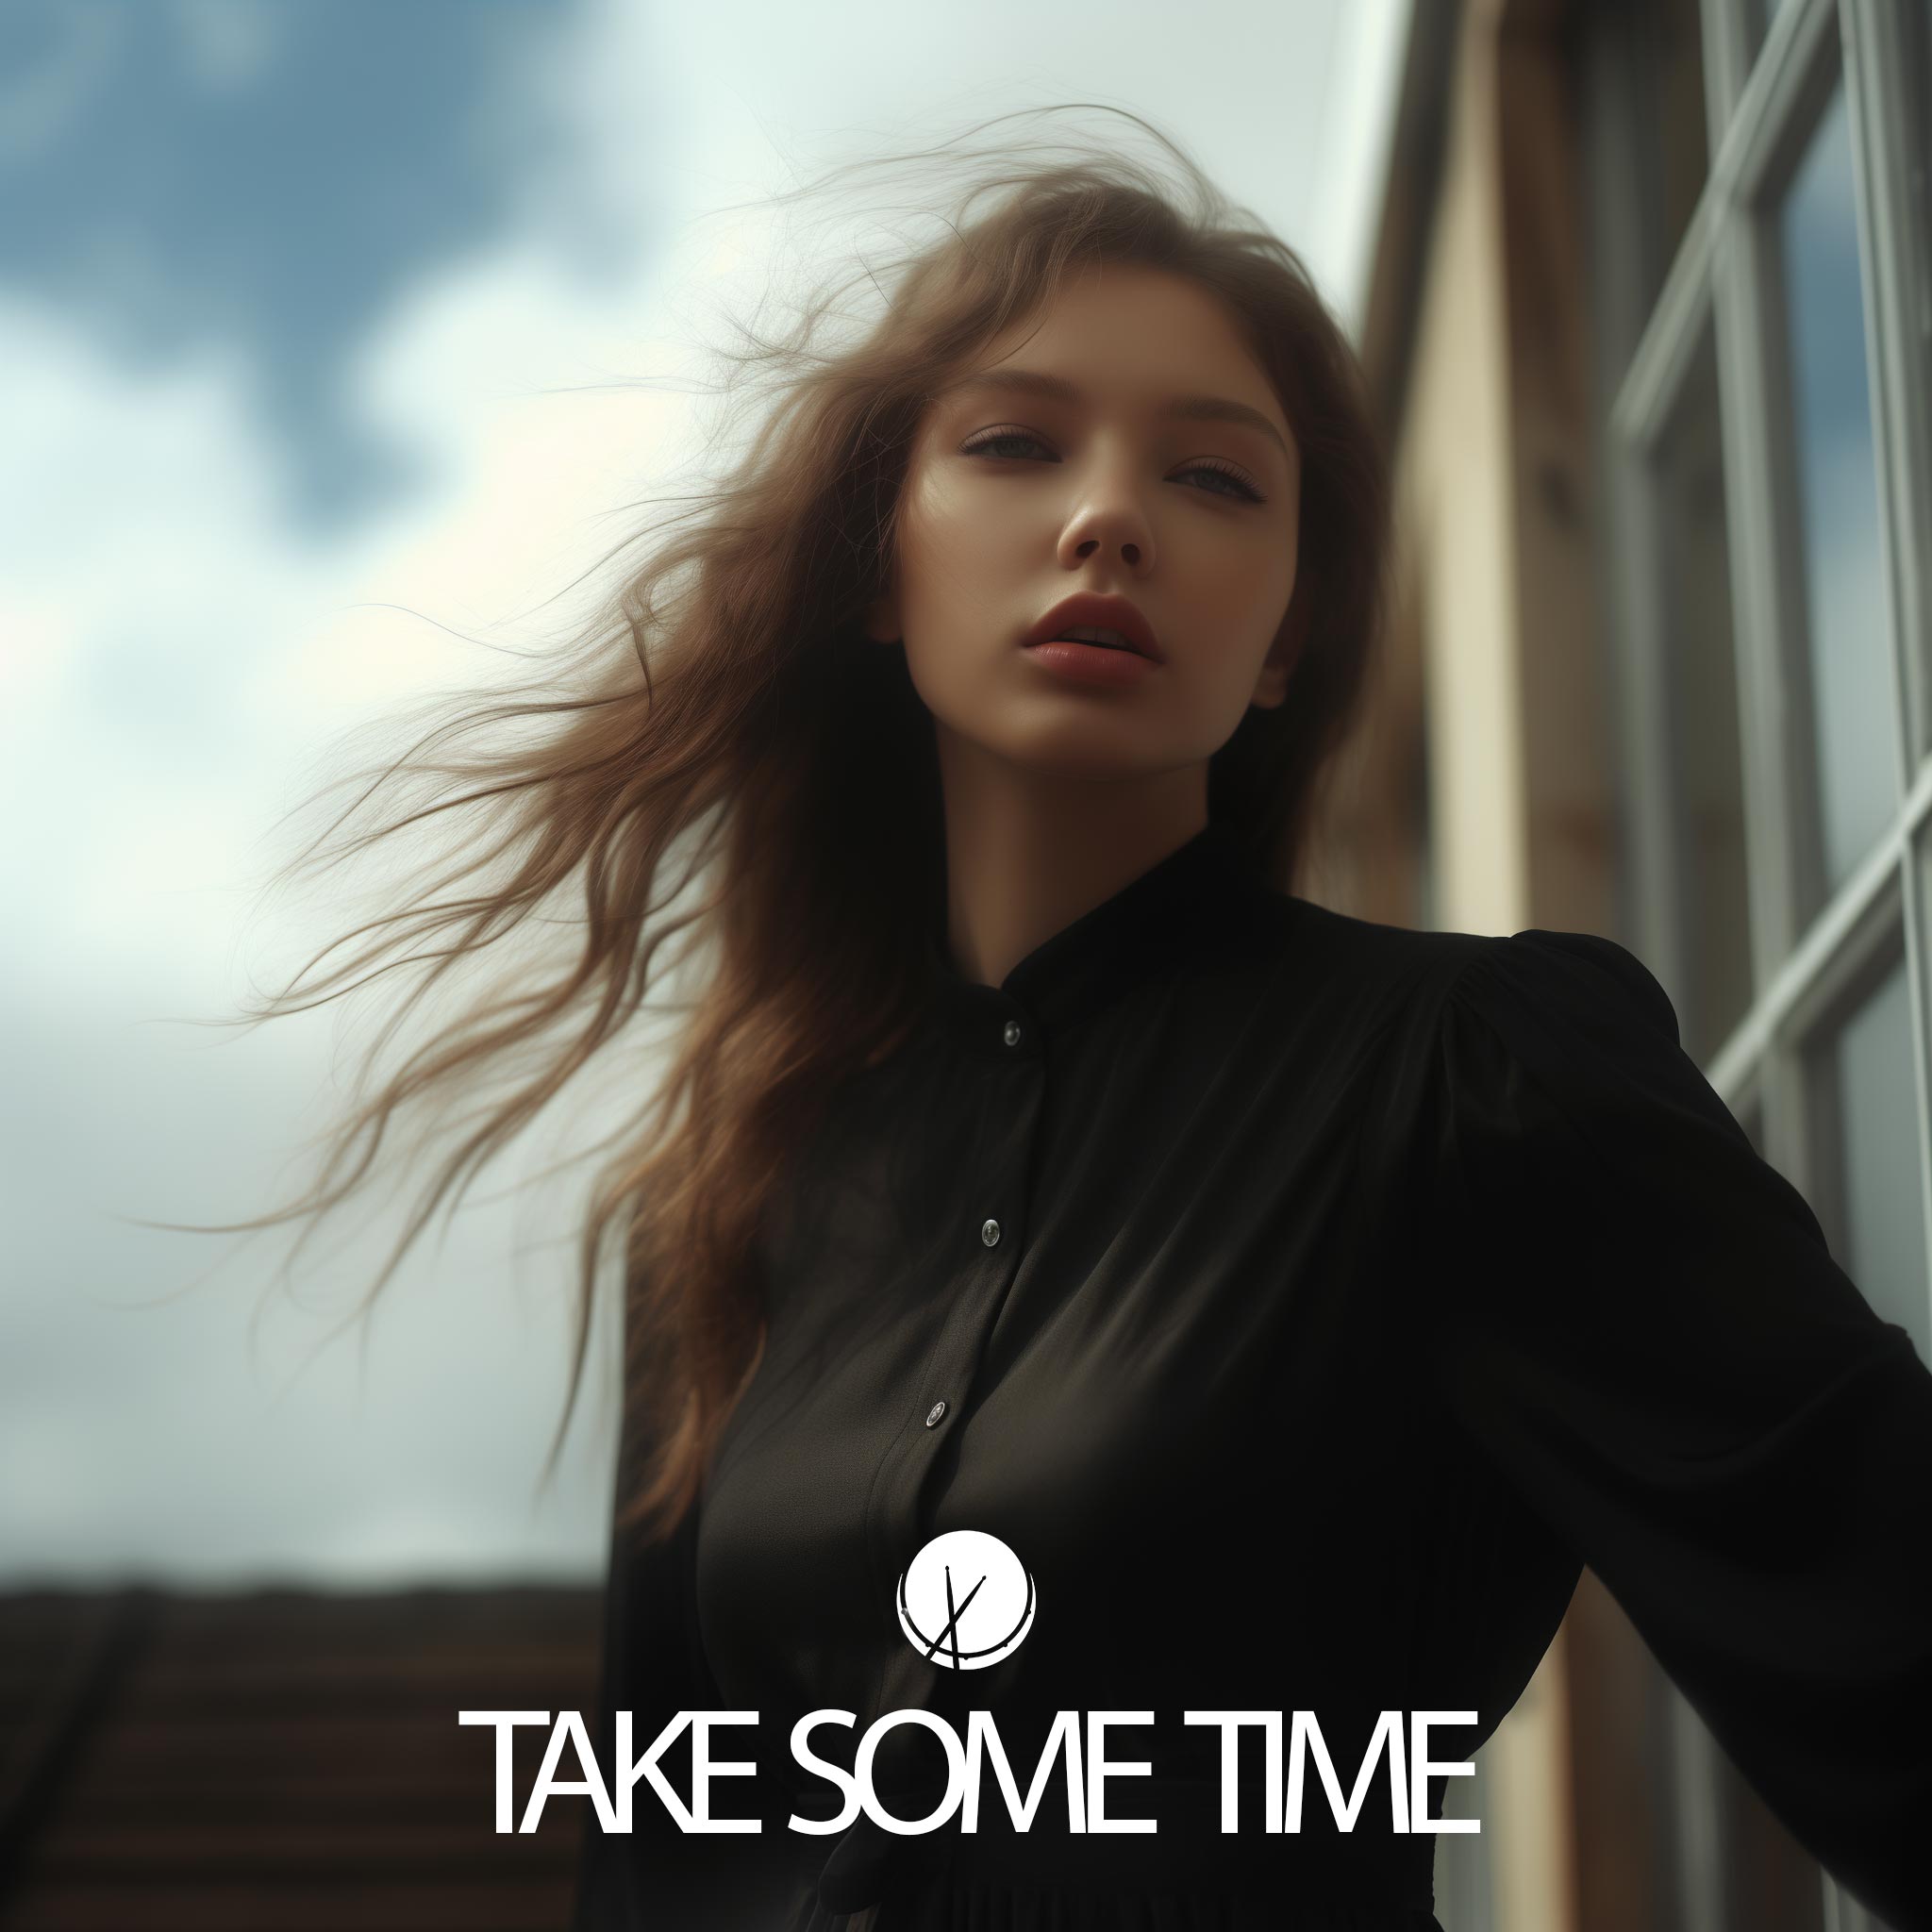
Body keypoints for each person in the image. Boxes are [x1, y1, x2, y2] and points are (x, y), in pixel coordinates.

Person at [225, 110, 1932, 1930]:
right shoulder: (731, 1193)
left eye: (1215, 479)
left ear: (1285, 634)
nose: (1108, 516)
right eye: (1017, 444)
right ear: (881, 565)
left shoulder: (1476, 1078)